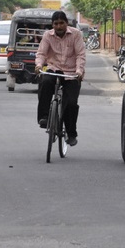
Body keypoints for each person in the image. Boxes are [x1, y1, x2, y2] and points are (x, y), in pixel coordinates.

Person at [34, 11, 86, 147]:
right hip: (54, 69)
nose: (59, 26)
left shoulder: (76, 34)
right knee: (45, 83)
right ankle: (44, 117)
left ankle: (71, 133)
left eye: (61, 23)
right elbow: (41, 53)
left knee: (71, 103)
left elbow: (80, 55)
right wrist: (39, 65)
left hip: (72, 73)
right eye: (56, 24)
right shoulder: (47, 35)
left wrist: (79, 71)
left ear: (66, 23)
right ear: (52, 25)